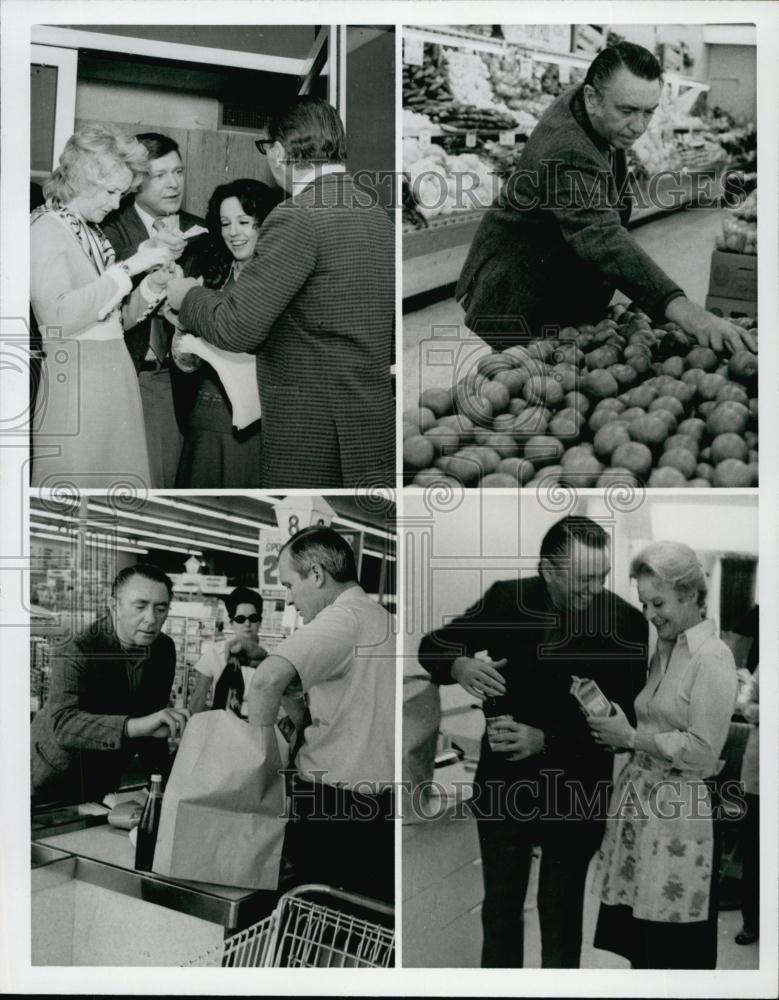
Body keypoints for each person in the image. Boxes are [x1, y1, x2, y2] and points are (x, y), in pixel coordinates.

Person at [417, 516, 648, 968]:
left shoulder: (626, 623)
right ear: (549, 570)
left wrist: (547, 740)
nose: (595, 588)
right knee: (500, 912)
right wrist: (459, 666)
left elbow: (624, 726)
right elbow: (434, 645)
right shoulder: (509, 599)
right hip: (506, 786)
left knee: (560, 916)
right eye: (584, 579)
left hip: (577, 788)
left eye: (601, 576)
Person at [456, 41, 756, 355]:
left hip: (551, 272)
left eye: (649, 112)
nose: (639, 127)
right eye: (627, 111)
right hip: (519, 293)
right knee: (523, 386)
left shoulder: (588, 108)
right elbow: (602, 236)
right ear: (592, 98)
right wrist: (688, 312)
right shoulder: (568, 149)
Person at [166, 96, 395, 488]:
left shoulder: (297, 215)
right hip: (370, 429)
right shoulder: (375, 212)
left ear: (280, 151)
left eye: (267, 146)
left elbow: (236, 327)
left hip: (311, 436)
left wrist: (185, 295)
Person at [588, 541, 737, 969]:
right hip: (640, 808)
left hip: (678, 812)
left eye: (658, 603)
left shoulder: (713, 657)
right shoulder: (666, 648)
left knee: (672, 950)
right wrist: (621, 732)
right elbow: (655, 725)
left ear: (690, 595)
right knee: (641, 947)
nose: (651, 615)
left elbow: (704, 753)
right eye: (645, 604)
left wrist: (633, 739)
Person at [247, 527, 395, 901]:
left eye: (290, 585)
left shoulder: (342, 618)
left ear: (316, 574)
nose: (291, 598)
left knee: (310, 922)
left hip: (331, 808)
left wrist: (259, 767)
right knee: (359, 924)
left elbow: (266, 682)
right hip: (380, 808)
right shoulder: (386, 621)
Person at [30, 123, 174, 489]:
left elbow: (113, 320)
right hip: (77, 386)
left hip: (113, 380)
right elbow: (58, 316)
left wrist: (151, 285)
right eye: (111, 192)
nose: (115, 204)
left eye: (122, 195)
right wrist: (129, 268)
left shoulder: (91, 234)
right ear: (81, 181)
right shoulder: (46, 228)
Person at [30, 564, 188, 806]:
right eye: (140, 606)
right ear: (114, 605)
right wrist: (136, 726)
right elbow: (64, 724)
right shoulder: (77, 649)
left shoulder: (163, 649)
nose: (151, 619)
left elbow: (153, 722)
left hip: (106, 777)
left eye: (161, 608)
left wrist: (163, 787)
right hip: (55, 775)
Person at [102, 133, 207, 488]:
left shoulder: (202, 232)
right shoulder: (110, 228)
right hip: (130, 373)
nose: (173, 183)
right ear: (135, 182)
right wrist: (146, 253)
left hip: (182, 380)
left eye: (178, 172)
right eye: (160, 175)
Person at [174, 179, 282, 487]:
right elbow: (185, 358)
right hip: (205, 416)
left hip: (257, 421)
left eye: (244, 222)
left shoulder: (278, 281)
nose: (233, 232)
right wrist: (183, 337)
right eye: (225, 223)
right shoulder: (210, 275)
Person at [188, 586, 268, 715]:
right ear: (231, 623)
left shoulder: (271, 657)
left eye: (253, 618)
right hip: (221, 724)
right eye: (240, 619)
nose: (247, 624)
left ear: (260, 621)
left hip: (257, 726)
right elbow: (198, 698)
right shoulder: (214, 652)